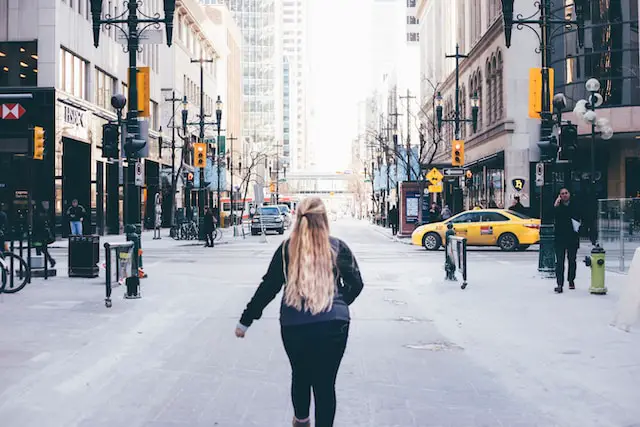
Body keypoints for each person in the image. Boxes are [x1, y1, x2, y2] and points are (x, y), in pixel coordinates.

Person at [236, 197, 364, 427]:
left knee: (301, 375)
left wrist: (245, 321)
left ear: (298, 217)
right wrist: (339, 303)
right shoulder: (338, 247)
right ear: (324, 219)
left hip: (295, 326)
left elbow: (269, 287)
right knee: (325, 384)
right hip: (333, 325)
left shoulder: (287, 249)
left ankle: (301, 421)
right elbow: (356, 284)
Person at [553, 188, 581, 293]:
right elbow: (551, 215)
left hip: (572, 237)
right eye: (562, 194)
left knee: (572, 260)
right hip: (560, 238)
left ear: (569, 194)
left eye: (566, 193)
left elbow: (580, 217)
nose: (564, 195)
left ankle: (571, 280)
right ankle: (559, 283)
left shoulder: (575, 205)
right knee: (559, 262)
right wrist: (555, 205)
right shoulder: (558, 206)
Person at [33, 203, 56, 268]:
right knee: (44, 250)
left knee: (39, 250)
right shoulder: (45, 215)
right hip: (44, 236)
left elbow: (36, 226)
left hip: (38, 236)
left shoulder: (37, 216)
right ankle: (51, 261)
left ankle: (41, 263)